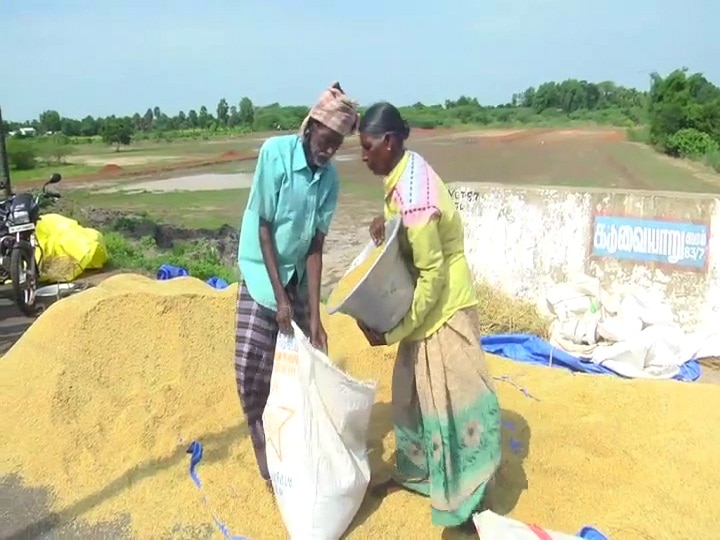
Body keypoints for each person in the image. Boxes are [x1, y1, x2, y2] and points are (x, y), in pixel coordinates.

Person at [355, 102, 501, 529]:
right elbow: (405, 230)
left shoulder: (416, 197)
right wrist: (385, 226)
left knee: (457, 404)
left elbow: (433, 275)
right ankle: (418, 473)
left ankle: (471, 502)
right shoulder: (404, 170)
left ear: (389, 142)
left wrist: (393, 330)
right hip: (424, 301)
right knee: (409, 394)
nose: (363, 156)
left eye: (367, 148)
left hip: (444, 306)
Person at [234, 82, 359, 488]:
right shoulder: (275, 154)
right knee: (252, 365)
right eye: (324, 142)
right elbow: (265, 227)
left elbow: (316, 247)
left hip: (299, 277)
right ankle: (261, 446)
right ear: (309, 129)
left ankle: (298, 441)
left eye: (336, 146)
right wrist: (281, 301)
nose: (328, 152)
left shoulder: (330, 180)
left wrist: (314, 315)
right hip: (263, 269)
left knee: (307, 360)